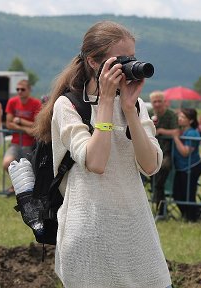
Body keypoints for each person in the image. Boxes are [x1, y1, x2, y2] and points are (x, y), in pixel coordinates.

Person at [32, 21, 172, 288]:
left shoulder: (136, 105)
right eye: (120, 60)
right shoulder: (68, 105)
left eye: (131, 58)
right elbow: (96, 162)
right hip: (89, 235)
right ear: (94, 62)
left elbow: (151, 165)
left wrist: (129, 109)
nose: (127, 66)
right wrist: (106, 102)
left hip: (135, 229)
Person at [2, 79, 41, 196]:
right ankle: (16, 186)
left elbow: (37, 124)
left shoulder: (36, 103)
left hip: (30, 143)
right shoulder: (12, 102)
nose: (19, 91)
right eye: (17, 89)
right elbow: (8, 123)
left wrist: (20, 121)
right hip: (15, 141)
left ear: (29, 90)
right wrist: (25, 129)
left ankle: (27, 191)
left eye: (22, 89)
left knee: (29, 169)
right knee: (6, 163)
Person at [149, 90, 179, 219]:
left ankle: (160, 210)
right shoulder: (149, 114)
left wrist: (161, 131)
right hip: (150, 151)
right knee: (152, 177)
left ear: (164, 102)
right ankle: (158, 208)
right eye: (154, 101)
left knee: (161, 172)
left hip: (166, 152)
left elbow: (176, 131)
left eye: (159, 101)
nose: (157, 104)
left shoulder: (170, 115)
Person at [171, 108, 201, 222]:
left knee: (188, 195)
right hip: (181, 168)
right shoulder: (181, 131)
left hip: (191, 167)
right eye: (179, 116)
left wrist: (175, 138)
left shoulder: (193, 132)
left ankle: (192, 218)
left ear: (190, 121)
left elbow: (185, 152)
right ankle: (186, 215)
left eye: (183, 117)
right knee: (177, 194)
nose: (180, 119)